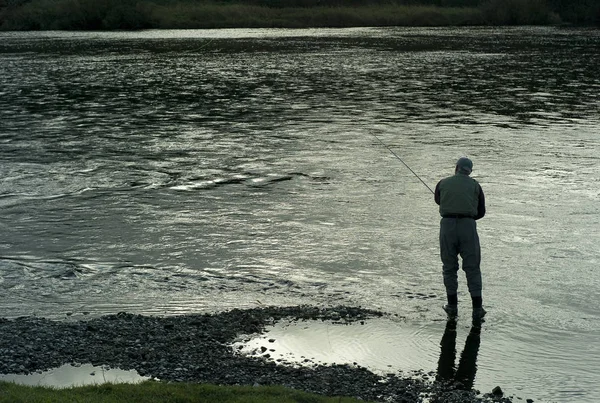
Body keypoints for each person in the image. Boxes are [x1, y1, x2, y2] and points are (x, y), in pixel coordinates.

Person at [434, 157, 486, 322]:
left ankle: (452, 306)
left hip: (447, 226)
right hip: (468, 226)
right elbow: (481, 212)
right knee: (472, 268)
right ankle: (477, 309)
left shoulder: (442, 183)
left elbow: (437, 200)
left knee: (449, 267)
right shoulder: (476, 186)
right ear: (469, 171)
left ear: (456, 168)